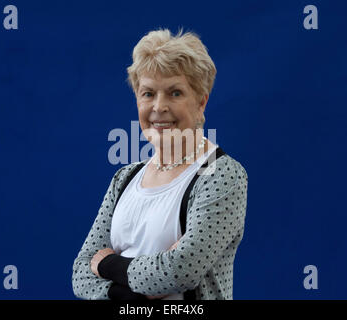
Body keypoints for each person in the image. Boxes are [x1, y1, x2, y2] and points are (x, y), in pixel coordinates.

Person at [72, 28, 248, 300]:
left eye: (175, 93)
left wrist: (108, 265)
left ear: (201, 102)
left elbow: (180, 271)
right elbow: (82, 272)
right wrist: (148, 287)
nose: (159, 107)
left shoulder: (220, 175)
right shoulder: (126, 178)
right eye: (148, 93)